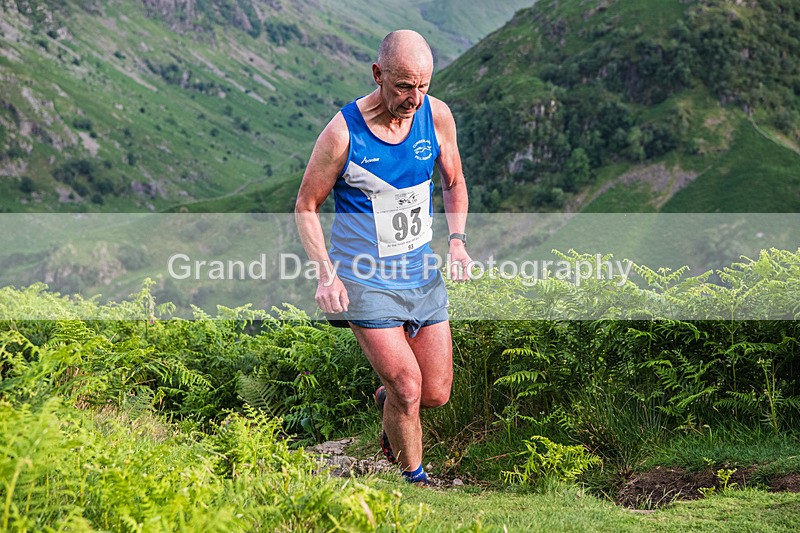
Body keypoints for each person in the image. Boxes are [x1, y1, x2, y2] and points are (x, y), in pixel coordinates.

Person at [294, 29, 471, 486]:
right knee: (408, 388)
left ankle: (387, 400)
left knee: (434, 392)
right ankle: (415, 480)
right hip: (363, 279)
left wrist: (456, 240)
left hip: (421, 275)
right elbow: (306, 206)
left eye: (424, 86)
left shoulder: (437, 117)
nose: (414, 98)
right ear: (378, 74)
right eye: (403, 86)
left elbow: (452, 181)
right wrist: (326, 276)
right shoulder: (342, 133)